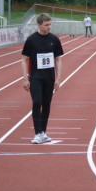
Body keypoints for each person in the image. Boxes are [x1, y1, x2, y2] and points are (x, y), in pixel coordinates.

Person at [21, 13, 63, 144]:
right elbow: (24, 59)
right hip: (35, 77)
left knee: (46, 105)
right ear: (39, 25)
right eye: (46, 25)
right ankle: (37, 133)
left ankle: (44, 132)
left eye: (50, 24)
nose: (49, 27)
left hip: (49, 77)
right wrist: (25, 79)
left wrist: (58, 78)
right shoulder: (32, 40)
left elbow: (58, 59)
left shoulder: (54, 40)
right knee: (37, 102)